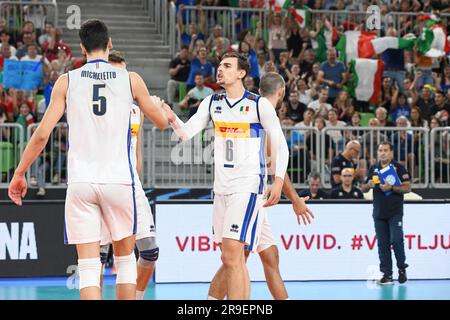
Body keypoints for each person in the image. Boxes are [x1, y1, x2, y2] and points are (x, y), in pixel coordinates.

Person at [8, 19, 168, 300]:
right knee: (126, 262)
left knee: (89, 265)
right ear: (109, 44)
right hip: (120, 181)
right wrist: (160, 110)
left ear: (81, 48)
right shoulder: (131, 79)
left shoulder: (67, 81)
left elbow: (42, 134)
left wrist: (20, 172)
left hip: (81, 182)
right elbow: (161, 123)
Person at [162, 52, 289, 300]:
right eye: (219, 65)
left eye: (227, 66)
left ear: (241, 73)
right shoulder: (212, 102)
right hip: (221, 189)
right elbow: (186, 133)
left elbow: (280, 145)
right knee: (230, 257)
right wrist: (170, 115)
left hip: (248, 186)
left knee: (232, 253)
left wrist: (279, 181)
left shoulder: (257, 104)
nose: (220, 69)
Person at [207, 72, 314, 301]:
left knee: (269, 257)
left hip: (251, 195)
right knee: (236, 259)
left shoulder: (254, 107)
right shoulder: (260, 112)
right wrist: (295, 200)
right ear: (282, 92)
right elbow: (277, 165)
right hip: (246, 193)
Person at [97, 51, 159, 301]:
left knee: (150, 252)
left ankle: (135, 298)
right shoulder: (97, 107)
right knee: (98, 257)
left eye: (124, 72)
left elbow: (138, 151)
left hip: (131, 185)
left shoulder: (137, 110)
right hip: (102, 183)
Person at [361, 142, 411, 285]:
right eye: (380, 150)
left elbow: (408, 187)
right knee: (382, 245)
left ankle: (402, 268)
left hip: (395, 212)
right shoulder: (373, 168)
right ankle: (387, 275)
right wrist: (368, 185)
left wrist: (392, 187)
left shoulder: (399, 168)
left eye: (386, 150)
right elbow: (363, 188)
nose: (383, 153)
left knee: (396, 240)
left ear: (391, 153)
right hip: (379, 213)